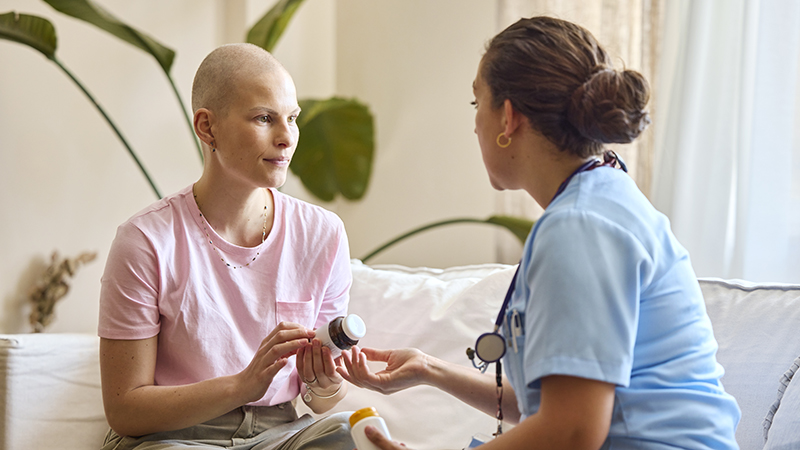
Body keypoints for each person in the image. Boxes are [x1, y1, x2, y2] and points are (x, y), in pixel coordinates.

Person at [339, 17, 741, 450]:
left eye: (478, 104)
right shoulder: (603, 195)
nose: (475, 125)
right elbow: (558, 410)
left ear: (508, 117)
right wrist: (429, 370)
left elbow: (572, 430)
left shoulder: (579, 227)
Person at [97, 43, 355, 450]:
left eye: (292, 118)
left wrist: (323, 384)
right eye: (264, 118)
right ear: (207, 127)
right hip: (175, 438)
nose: (287, 137)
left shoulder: (323, 233)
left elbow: (322, 401)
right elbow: (125, 409)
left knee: (354, 434)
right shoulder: (146, 241)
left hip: (278, 433)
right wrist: (242, 385)